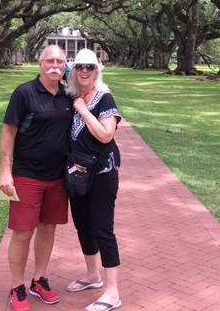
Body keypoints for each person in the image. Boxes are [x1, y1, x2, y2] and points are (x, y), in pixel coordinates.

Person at [0, 45, 73, 311]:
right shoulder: (24, 93)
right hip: (27, 174)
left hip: (58, 177)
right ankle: (17, 286)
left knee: (48, 228)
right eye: (50, 60)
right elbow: (8, 132)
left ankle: (39, 280)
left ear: (65, 65)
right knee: (22, 232)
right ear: (40, 63)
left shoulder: (68, 94)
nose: (55, 65)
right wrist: (5, 171)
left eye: (60, 61)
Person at [65, 48, 122, 311]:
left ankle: (112, 292)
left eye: (89, 67)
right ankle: (92, 276)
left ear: (97, 70)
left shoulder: (103, 98)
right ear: (74, 71)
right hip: (78, 174)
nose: (85, 71)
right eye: (80, 67)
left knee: (102, 228)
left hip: (102, 174)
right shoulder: (71, 96)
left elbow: (106, 135)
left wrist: (83, 109)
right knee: (83, 225)